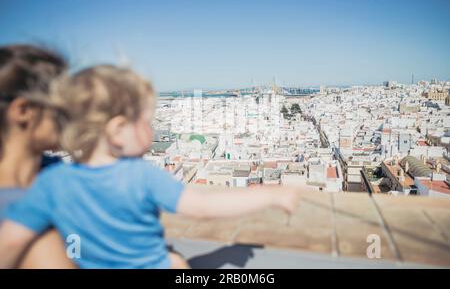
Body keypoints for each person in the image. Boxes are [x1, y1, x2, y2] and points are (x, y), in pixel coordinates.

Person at [0, 65, 300, 269]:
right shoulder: (141, 176)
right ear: (118, 130)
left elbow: (12, 239)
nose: (154, 131)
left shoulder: (52, 181)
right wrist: (272, 195)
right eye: (146, 122)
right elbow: (203, 205)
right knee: (177, 262)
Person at [0, 44, 75, 268]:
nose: (72, 113)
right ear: (23, 111)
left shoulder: (51, 168)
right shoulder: (40, 242)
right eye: (63, 104)